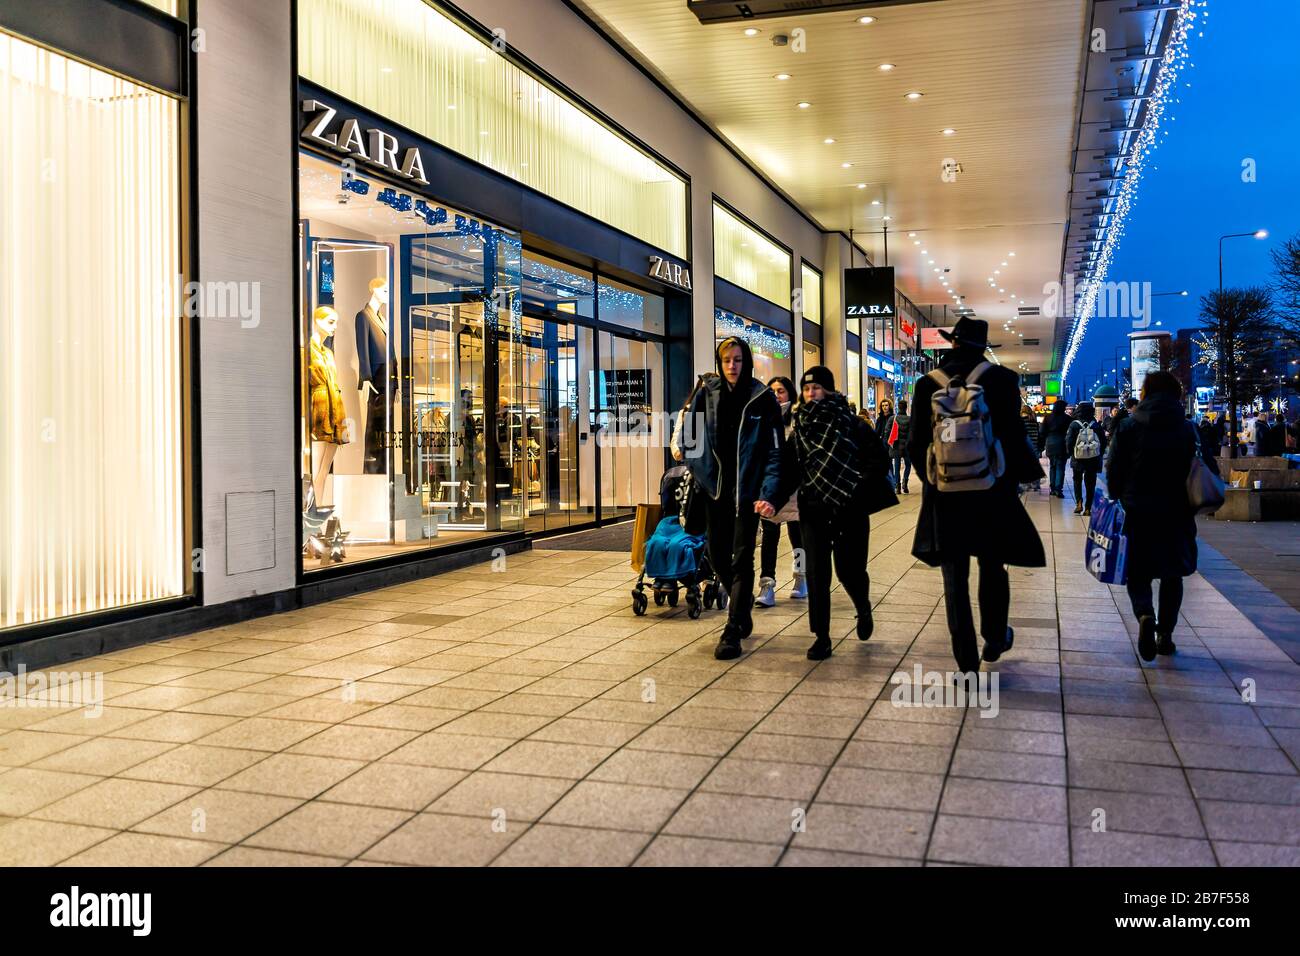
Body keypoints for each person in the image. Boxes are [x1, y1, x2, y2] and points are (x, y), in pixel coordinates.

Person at [908, 318, 1046, 674]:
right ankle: (995, 637)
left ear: (953, 343)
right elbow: (1014, 436)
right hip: (990, 493)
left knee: (954, 578)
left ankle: (965, 662)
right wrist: (1012, 478)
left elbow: (914, 444)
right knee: (992, 564)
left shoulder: (927, 384)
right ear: (983, 347)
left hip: (946, 496)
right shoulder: (1002, 380)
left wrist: (935, 478)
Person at [785, 366, 897, 660]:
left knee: (850, 570)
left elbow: (880, 460)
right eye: (807, 389)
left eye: (817, 388)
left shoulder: (852, 424)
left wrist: (856, 487)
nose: (811, 394)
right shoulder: (800, 429)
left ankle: (862, 607)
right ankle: (821, 636)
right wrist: (768, 498)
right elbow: (787, 470)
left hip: (850, 508)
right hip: (813, 510)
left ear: (830, 390)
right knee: (818, 574)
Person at [682, 338, 784, 660]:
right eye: (726, 360)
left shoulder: (762, 399)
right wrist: (702, 472)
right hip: (715, 493)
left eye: (737, 360)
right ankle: (743, 612)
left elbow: (774, 453)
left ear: (747, 361)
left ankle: (732, 630)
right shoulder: (706, 393)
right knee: (716, 555)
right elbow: (689, 436)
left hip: (747, 495)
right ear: (719, 361)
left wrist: (767, 492)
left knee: (742, 559)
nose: (731, 366)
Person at [1105, 371, 1198, 661]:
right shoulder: (1187, 429)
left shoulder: (1128, 426)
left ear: (1145, 393)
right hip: (1177, 512)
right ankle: (1165, 635)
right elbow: (1205, 469)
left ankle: (1145, 614)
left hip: (1138, 511)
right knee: (1173, 574)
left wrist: (1120, 495)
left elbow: (1114, 471)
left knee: (1139, 571)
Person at [756, 376, 806, 607]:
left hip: (794, 489)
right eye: (772, 391)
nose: (777, 395)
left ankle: (800, 579)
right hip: (769, 487)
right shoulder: (762, 419)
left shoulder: (797, 420)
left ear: (790, 394)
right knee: (769, 537)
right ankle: (767, 585)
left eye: (781, 391)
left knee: (797, 536)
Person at [1066, 401, 1107, 516]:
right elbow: (1103, 442)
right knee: (1090, 483)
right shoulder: (1096, 425)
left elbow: (1069, 441)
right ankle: (1088, 507)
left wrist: (1071, 454)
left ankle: (1079, 503)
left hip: (1078, 457)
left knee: (1077, 480)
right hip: (1093, 458)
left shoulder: (1074, 424)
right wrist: (1100, 453)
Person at [1039, 400, 1071, 497]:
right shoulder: (1067, 419)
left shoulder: (1048, 418)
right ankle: (1058, 489)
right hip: (1062, 444)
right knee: (1060, 467)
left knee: (1052, 466)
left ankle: (1052, 488)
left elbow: (1042, 432)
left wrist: (1042, 445)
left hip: (1050, 444)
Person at [1019, 405, 1042, 494]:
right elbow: (1038, 434)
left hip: (1024, 446)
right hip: (1034, 446)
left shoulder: (1021, 421)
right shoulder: (1034, 421)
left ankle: (1026, 484)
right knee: (1035, 465)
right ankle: (1036, 485)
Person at [892, 399, 913, 493]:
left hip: (897, 446)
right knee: (908, 465)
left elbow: (888, 431)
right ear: (906, 408)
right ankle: (905, 482)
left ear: (898, 407)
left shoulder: (894, 418)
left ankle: (897, 487)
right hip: (907, 447)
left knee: (897, 466)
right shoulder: (910, 419)